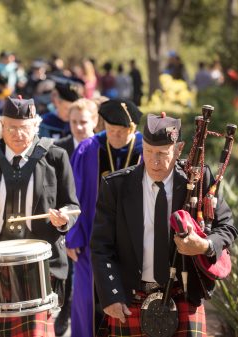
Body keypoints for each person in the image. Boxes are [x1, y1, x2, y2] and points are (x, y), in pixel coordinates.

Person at [91, 113, 237, 336]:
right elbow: (101, 247)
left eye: (162, 153)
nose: (154, 162)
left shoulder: (197, 182)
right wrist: (110, 296)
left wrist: (204, 245)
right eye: (148, 151)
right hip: (132, 297)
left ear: (178, 149)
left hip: (183, 294)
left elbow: (226, 227)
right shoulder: (116, 186)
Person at [0, 96, 80, 337]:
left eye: (24, 128)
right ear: (2, 126)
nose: (17, 134)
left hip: (41, 262)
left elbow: (70, 204)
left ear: (36, 126)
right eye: (11, 127)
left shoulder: (54, 156)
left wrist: (64, 219)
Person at [66, 98, 143, 337]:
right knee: (89, 303)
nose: (116, 136)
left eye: (121, 132)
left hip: (136, 245)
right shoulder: (89, 149)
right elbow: (73, 194)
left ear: (133, 129)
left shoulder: (145, 151)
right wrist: (73, 237)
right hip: (92, 239)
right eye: (110, 131)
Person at [53, 97, 99, 336]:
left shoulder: (103, 151)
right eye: (74, 122)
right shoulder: (60, 148)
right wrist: (69, 234)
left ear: (95, 120)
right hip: (69, 228)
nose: (79, 127)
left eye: (84, 121)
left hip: (93, 230)